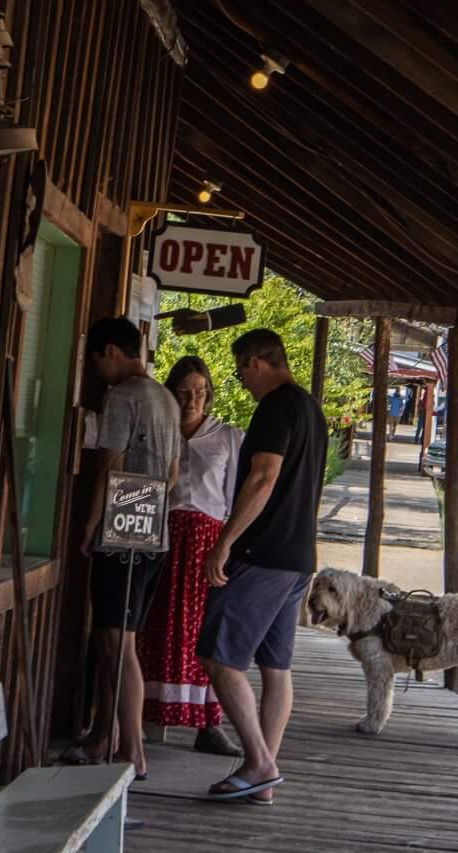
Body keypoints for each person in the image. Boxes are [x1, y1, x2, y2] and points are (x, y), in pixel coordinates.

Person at [196, 326, 325, 804]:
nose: (241, 382)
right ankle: (262, 775)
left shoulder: (275, 406)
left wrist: (225, 542)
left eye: (239, 372)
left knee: (218, 655)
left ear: (255, 363)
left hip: (263, 553)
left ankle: (259, 762)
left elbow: (263, 477)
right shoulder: (311, 408)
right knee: (276, 666)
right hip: (297, 558)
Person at [63, 316, 180, 778]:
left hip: (122, 534)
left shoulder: (121, 398)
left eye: (96, 360)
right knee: (114, 637)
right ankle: (104, 736)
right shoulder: (167, 399)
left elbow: (109, 468)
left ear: (111, 351)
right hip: (156, 534)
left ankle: (133, 751)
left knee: (118, 642)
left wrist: (92, 525)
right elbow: (172, 475)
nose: (97, 372)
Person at [137, 356, 247, 756]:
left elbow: (236, 499)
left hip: (206, 543)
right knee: (156, 623)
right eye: (183, 392)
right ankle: (150, 716)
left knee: (204, 632)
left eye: (199, 392)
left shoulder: (227, 437)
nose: (191, 400)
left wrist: (228, 547)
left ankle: (207, 723)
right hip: (160, 534)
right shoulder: (159, 432)